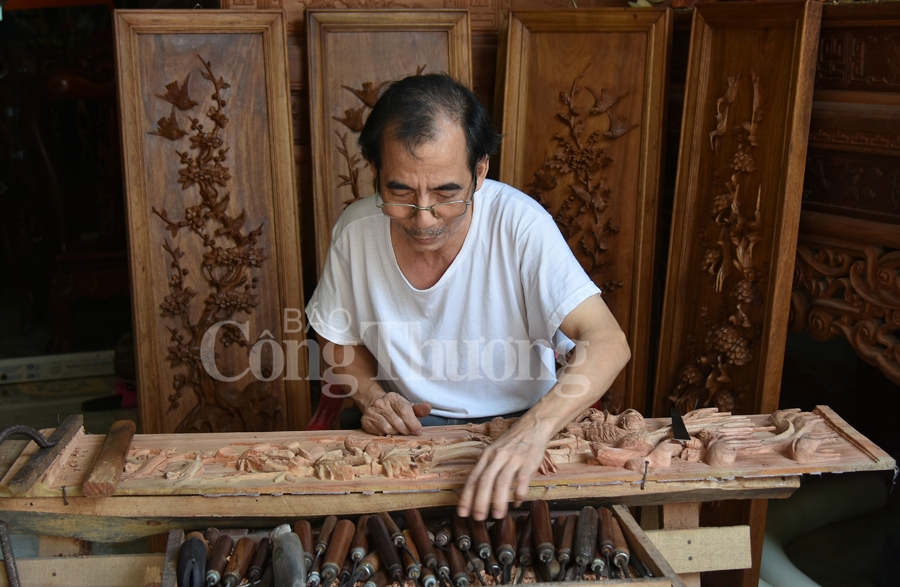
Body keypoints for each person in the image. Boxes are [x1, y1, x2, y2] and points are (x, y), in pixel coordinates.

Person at [306, 73, 630, 521]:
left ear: (479, 172)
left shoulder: (520, 225)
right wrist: (372, 396)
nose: (423, 218)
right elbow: (335, 336)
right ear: (375, 173)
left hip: (522, 423)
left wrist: (533, 430)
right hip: (411, 436)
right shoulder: (356, 231)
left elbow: (608, 341)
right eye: (400, 192)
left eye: (446, 193)